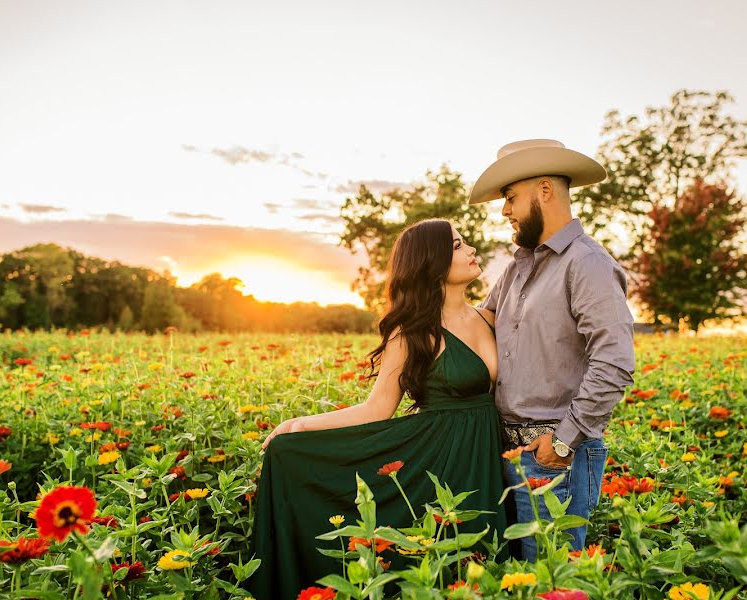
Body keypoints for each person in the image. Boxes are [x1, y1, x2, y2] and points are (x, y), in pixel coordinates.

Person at [245, 218, 507, 599]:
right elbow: (376, 409)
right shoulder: (414, 331)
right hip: (436, 459)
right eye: (457, 245)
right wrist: (301, 424)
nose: (470, 251)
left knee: (486, 564)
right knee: (438, 567)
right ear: (431, 261)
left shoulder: (490, 317)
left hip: (483, 453)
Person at [468, 139, 636, 560]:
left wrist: (562, 443)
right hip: (506, 451)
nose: (505, 211)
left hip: (556, 457)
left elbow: (615, 363)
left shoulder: (587, 263)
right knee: (519, 580)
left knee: (553, 579)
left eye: (510, 198)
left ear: (544, 190)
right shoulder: (517, 268)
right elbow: (478, 324)